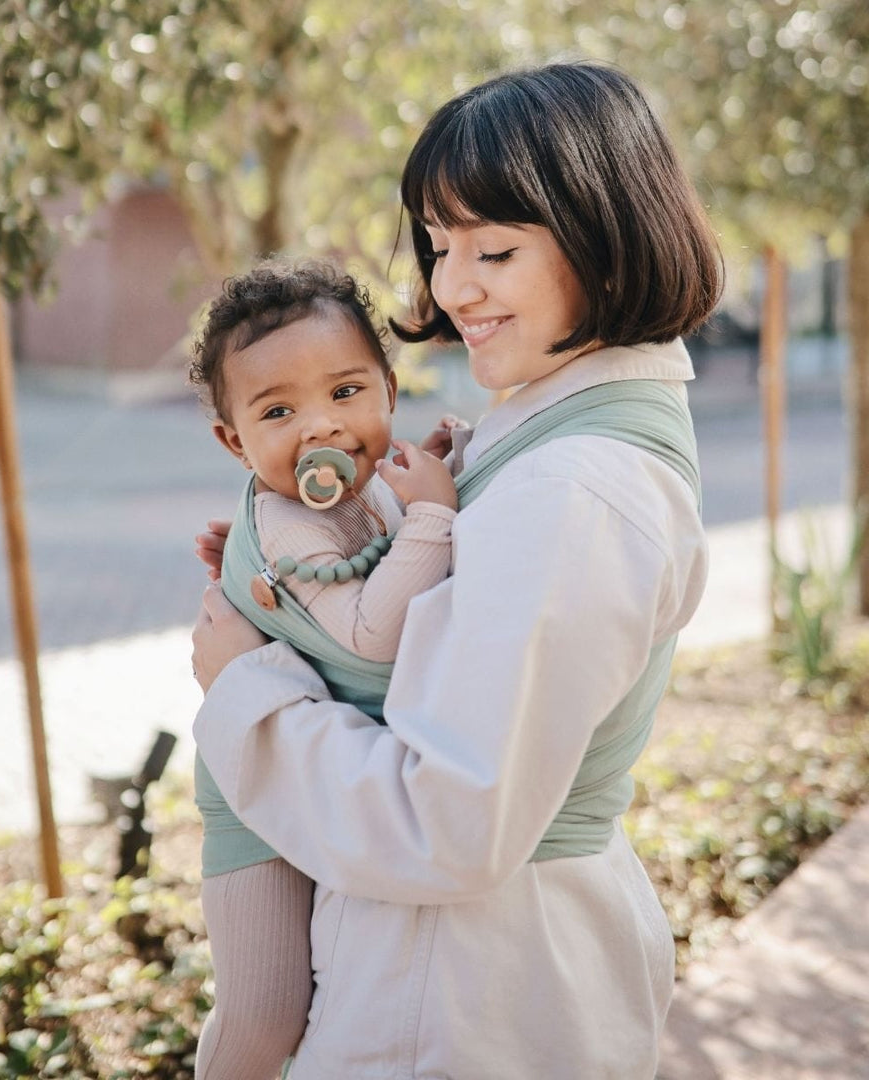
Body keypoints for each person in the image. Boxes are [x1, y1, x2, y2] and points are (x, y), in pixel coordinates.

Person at [192, 61, 722, 1078]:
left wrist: (249, 686)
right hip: (480, 964)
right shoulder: (553, 428)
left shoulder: (574, 489)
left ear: (606, 233)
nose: (452, 286)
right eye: (439, 247)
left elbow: (444, 823)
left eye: (496, 248)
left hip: (462, 989)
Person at [187, 258, 461, 1080]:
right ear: (236, 442)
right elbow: (374, 632)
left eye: (346, 394)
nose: (321, 429)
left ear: (387, 387)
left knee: (330, 995)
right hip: (256, 783)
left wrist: (428, 480)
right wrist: (436, 516)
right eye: (278, 411)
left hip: (324, 758)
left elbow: (378, 548)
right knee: (264, 1012)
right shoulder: (292, 523)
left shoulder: (360, 486)